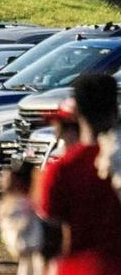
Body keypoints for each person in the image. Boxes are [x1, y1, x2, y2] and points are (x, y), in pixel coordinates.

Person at [36, 72, 121, 264]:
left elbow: (49, 238)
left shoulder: (62, 169)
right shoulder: (115, 159)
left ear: (77, 112)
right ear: (115, 109)